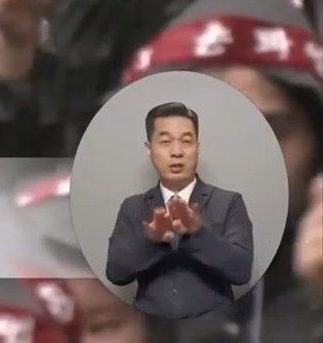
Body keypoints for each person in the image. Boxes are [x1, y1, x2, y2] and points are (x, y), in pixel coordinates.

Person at [105, 100, 256, 320]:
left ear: (198, 147)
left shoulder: (229, 202)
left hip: (213, 329)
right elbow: (116, 273)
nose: (177, 152)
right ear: (149, 149)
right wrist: (151, 240)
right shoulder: (133, 206)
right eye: (165, 142)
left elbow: (241, 271)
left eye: (186, 141)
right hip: (153, 328)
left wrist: (198, 234)